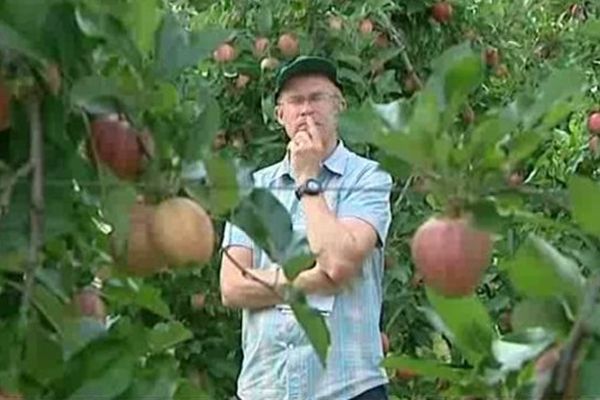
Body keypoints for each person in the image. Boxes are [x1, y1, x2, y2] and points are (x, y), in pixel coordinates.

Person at [219, 55, 393, 400]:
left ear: (339, 106)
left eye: (317, 98)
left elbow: (338, 263)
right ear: (280, 115)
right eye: (295, 101)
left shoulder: (368, 177)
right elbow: (232, 288)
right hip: (265, 387)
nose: (306, 110)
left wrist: (307, 180)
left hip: (348, 388)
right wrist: (313, 281)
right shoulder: (252, 189)